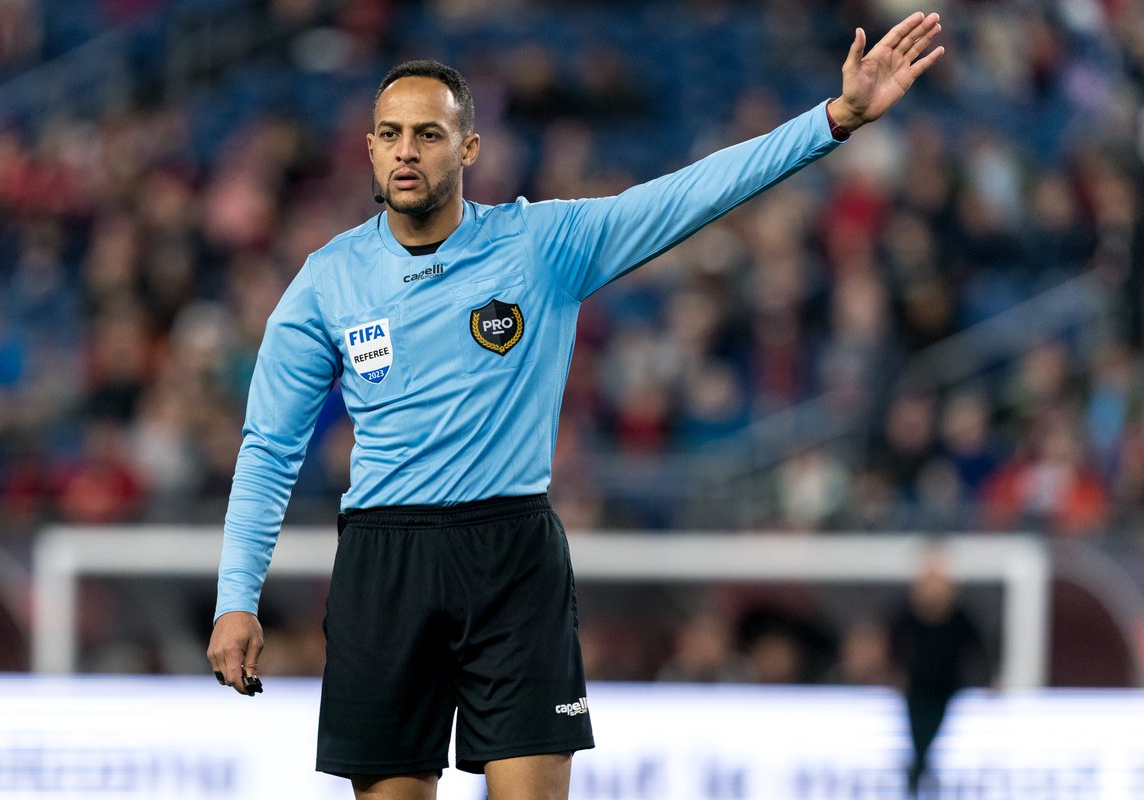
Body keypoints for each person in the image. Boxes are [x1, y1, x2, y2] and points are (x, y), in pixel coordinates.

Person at [207, 13, 945, 800]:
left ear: (469, 148)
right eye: (389, 134)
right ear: (369, 148)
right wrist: (235, 599)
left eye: (428, 134)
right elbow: (268, 449)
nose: (407, 151)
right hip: (386, 561)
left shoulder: (540, 246)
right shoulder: (329, 279)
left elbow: (688, 195)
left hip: (512, 554)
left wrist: (833, 121)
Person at [891, 547, 989, 798]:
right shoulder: (908, 613)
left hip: (949, 690)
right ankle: (917, 779)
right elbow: (893, 647)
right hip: (918, 688)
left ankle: (924, 780)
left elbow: (979, 650)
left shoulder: (959, 616)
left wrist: (988, 680)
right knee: (918, 739)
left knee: (940, 741)